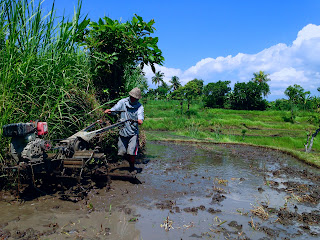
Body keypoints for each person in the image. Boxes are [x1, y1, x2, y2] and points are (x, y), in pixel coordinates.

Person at [104, 87, 144, 172]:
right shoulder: (123, 102)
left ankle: (132, 167)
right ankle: (128, 161)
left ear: (137, 98)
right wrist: (110, 111)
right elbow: (115, 109)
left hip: (133, 133)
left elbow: (140, 117)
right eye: (132, 97)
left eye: (135, 98)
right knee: (121, 152)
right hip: (123, 132)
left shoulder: (139, 107)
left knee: (131, 152)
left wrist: (140, 120)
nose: (133, 99)